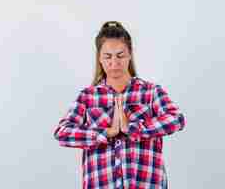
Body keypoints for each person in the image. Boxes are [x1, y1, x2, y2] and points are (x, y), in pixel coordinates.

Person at [53, 21, 187, 189]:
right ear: (100, 58)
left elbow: (176, 119)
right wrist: (105, 133)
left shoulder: (151, 92)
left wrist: (134, 128)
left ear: (130, 55)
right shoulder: (87, 97)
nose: (114, 63)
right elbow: (62, 132)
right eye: (108, 56)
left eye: (120, 55)